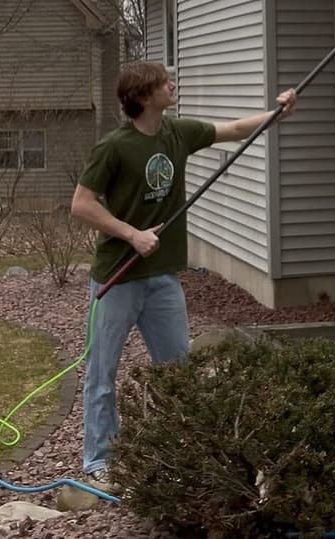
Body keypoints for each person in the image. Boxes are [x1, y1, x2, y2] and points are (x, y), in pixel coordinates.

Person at [70, 59, 297, 492]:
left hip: (162, 278)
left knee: (179, 371)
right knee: (103, 373)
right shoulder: (114, 148)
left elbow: (231, 130)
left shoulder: (177, 133)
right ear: (142, 96)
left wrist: (277, 113)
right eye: (164, 83)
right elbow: (81, 204)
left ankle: (189, 450)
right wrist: (132, 234)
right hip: (117, 278)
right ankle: (99, 459)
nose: (172, 86)